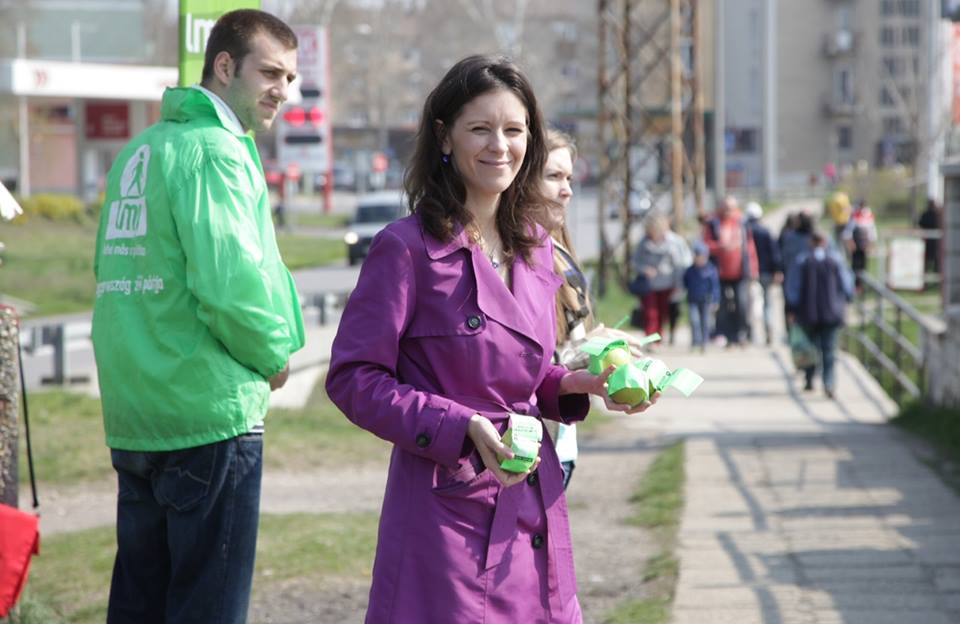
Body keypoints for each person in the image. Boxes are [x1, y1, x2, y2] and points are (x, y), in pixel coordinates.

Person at [325, 55, 658, 623]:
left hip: (534, 505)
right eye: (480, 128)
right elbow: (354, 379)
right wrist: (460, 426)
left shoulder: (536, 248)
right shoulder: (405, 249)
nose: (499, 146)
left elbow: (518, 375)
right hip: (443, 523)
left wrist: (576, 383)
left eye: (514, 130)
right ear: (444, 136)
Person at [90, 10, 304, 623]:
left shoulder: (142, 150)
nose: (281, 92)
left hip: (137, 416)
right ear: (224, 65)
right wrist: (273, 355)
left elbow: (113, 278)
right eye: (270, 72)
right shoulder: (216, 150)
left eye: (289, 78)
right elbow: (230, 284)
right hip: (208, 419)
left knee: (140, 606)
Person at [531, 129, 590, 491]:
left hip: (561, 438)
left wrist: (604, 346)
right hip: (526, 442)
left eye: (568, 177)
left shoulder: (559, 249)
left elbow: (568, 344)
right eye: (553, 177)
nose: (566, 189)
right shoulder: (513, 258)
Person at [784, 231, 853, 398]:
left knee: (810, 347)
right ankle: (828, 383)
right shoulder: (836, 260)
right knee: (829, 349)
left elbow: (793, 288)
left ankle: (809, 379)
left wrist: (792, 308)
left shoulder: (802, 260)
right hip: (832, 311)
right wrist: (846, 302)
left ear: (810, 242)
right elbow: (847, 285)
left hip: (807, 312)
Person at [702, 196, 758, 347]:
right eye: (725, 208)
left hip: (739, 271)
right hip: (719, 272)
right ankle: (723, 334)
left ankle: (741, 334)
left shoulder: (742, 223)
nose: (728, 211)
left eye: (731, 208)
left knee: (742, 303)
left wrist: (753, 268)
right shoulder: (713, 223)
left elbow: (750, 247)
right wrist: (720, 247)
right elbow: (705, 245)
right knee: (721, 305)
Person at [631, 213, 691, 340]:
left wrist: (679, 285)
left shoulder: (675, 242)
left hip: (668, 283)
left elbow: (681, 264)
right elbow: (635, 262)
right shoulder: (644, 242)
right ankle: (651, 339)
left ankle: (658, 337)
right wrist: (644, 269)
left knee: (663, 313)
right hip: (649, 285)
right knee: (650, 313)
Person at [744, 201, 782, 345]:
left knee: (750, 304)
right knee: (767, 303)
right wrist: (777, 270)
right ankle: (768, 331)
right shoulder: (765, 231)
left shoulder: (744, 231)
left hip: (748, 273)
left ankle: (749, 334)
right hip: (766, 272)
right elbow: (774, 253)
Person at [683, 241, 720, 352]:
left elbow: (715, 287)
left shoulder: (711, 270)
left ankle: (704, 341)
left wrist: (716, 300)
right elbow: (685, 282)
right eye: (697, 256)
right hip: (692, 299)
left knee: (705, 321)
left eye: (702, 257)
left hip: (706, 300)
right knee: (694, 321)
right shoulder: (690, 270)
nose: (699, 259)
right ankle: (695, 342)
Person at [842, 199, 877, 290]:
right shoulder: (854, 216)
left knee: (863, 265)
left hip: (864, 244)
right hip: (856, 244)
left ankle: (861, 284)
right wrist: (850, 243)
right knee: (855, 265)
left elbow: (871, 231)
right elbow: (848, 232)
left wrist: (871, 244)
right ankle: (855, 284)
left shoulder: (869, 215)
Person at [918, 198, 942, 275]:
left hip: (927, 240)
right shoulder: (937, 215)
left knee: (926, 259)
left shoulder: (925, 214)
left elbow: (920, 224)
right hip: (935, 241)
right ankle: (935, 274)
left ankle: (927, 274)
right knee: (935, 258)